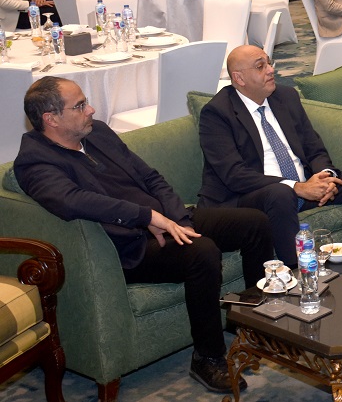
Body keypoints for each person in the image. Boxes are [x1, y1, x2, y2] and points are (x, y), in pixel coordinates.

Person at [13, 77, 272, 394]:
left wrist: (178, 220)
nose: (91, 110)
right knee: (202, 252)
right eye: (79, 106)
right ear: (51, 119)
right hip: (128, 247)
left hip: (166, 219)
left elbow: (150, 177)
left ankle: (255, 326)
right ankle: (208, 358)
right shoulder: (35, 162)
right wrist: (146, 216)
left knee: (254, 223)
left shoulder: (98, 133)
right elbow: (72, 201)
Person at [197, 45, 342, 266]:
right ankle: (298, 271)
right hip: (252, 198)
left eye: (269, 63)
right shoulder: (217, 113)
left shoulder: (285, 97)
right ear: (239, 78)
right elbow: (234, 175)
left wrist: (325, 177)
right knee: (281, 193)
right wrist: (296, 187)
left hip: (302, 188)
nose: (271, 70)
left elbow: (313, 147)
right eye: (260, 66)